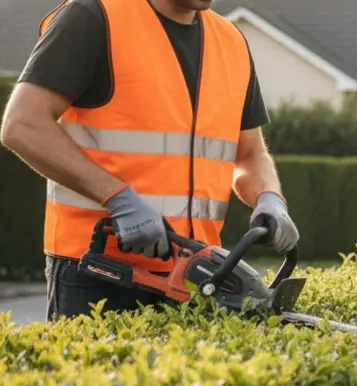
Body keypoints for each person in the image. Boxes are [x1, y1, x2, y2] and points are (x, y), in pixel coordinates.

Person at [0, 0, 300, 321]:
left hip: (195, 276)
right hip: (97, 269)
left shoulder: (231, 41)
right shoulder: (93, 16)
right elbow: (23, 125)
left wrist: (269, 197)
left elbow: (250, 153)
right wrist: (118, 198)